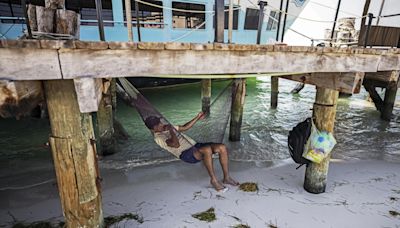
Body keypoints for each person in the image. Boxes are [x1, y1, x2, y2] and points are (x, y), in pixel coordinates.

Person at [144, 112, 239, 192]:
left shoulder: (166, 127)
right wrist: (171, 130)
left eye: (160, 122)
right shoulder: (159, 138)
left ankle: (226, 178)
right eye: (158, 124)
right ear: (153, 128)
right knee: (207, 150)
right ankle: (214, 180)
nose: (161, 124)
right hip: (186, 154)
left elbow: (185, 127)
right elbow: (176, 145)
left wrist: (197, 117)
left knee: (222, 147)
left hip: (195, 146)